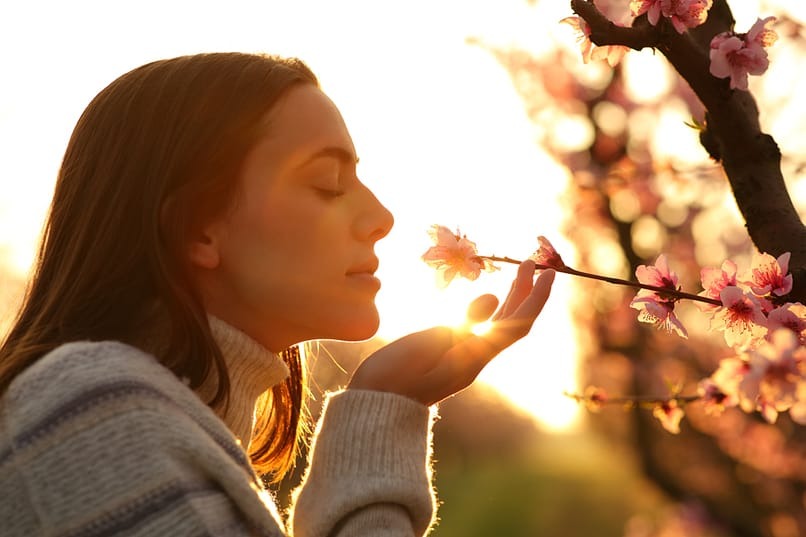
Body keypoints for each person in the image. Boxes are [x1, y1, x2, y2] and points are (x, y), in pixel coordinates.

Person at [0, 52, 555, 536]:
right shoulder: (94, 407)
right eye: (328, 185)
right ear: (198, 229)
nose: (382, 217)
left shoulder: (165, 427)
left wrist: (383, 409)